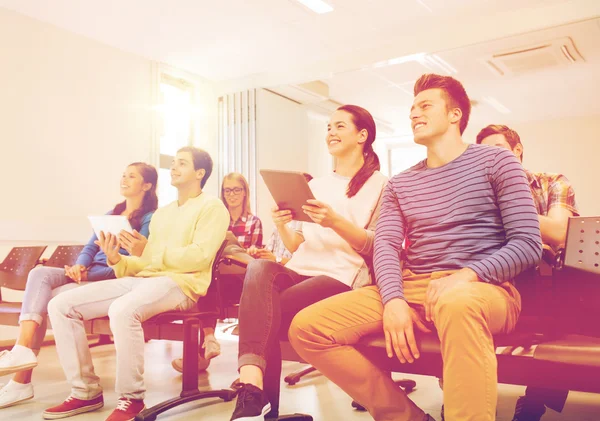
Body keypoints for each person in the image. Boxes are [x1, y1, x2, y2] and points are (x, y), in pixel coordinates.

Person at [289, 74, 543, 421]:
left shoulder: (497, 163)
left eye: (425, 106)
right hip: (412, 286)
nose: (414, 114)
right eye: (411, 109)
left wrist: (465, 276)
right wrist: (392, 299)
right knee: (308, 328)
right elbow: (386, 248)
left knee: (458, 302)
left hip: (482, 288)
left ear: (455, 115)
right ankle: (406, 417)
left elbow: (528, 243)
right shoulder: (400, 183)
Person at [42, 147, 229, 421]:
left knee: (123, 310)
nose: (174, 167)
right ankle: (85, 391)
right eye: (173, 162)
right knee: (60, 305)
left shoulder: (212, 207)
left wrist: (149, 253)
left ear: (200, 173)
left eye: (182, 163)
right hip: (144, 280)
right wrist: (118, 259)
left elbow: (199, 257)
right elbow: (145, 262)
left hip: (182, 284)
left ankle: (131, 398)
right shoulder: (164, 213)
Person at [229, 105, 388, 421]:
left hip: (342, 275)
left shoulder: (383, 185)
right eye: (328, 127)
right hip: (301, 268)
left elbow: (374, 245)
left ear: (362, 135)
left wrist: (334, 221)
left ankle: (256, 401)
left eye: (339, 126)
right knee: (259, 268)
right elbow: (295, 245)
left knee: (265, 310)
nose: (330, 132)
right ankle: (253, 385)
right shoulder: (316, 185)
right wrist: (283, 224)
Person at [0, 162, 158, 409]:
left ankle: (21, 382)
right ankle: (22, 351)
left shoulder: (150, 219)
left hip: (112, 276)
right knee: (40, 274)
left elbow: (137, 260)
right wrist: (80, 266)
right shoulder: (111, 215)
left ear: (147, 185)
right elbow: (90, 247)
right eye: (123, 175)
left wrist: (88, 275)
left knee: (47, 298)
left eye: (132, 176)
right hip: (90, 272)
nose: (124, 179)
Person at [477, 124, 579, 421]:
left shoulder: (553, 183)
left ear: (516, 151)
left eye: (496, 150)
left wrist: (511, 211)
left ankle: (534, 401)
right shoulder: (480, 193)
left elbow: (560, 232)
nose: (490, 161)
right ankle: (469, 400)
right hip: (506, 278)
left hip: (553, 281)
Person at [247, 174, 313, 266]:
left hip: (291, 273)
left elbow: (306, 264)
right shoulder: (282, 218)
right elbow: (268, 251)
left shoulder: (311, 223)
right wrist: (258, 253)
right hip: (274, 268)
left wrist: (276, 259)